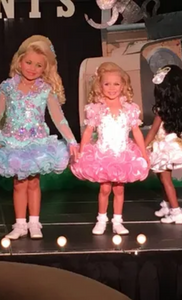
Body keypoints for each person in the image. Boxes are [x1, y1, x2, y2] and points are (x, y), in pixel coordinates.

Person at [0, 35, 77, 240]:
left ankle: (35, 223)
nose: (32, 68)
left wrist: (71, 140)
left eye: (38, 65)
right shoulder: (8, 87)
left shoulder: (45, 90)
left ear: (44, 69)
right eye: (28, 62)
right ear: (19, 61)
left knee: (34, 183)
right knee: (19, 183)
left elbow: (58, 117)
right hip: (13, 143)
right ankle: (20, 224)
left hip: (37, 143)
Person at [71, 62, 149, 235]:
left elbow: (136, 132)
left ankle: (118, 221)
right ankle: (101, 219)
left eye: (116, 84)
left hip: (122, 154)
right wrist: (82, 150)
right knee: (105, 188)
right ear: (100, 85)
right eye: (107, 84)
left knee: (119, 189)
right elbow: (88, 131)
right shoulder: (96, 109)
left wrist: (144, 153)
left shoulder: (129, 109)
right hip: (102, 154)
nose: (112, 88)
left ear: (123, 86)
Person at [145, 65, 182, 224]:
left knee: (166, 180)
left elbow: (152, 132)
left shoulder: (162, 111)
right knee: (162, 177)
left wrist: (141, 148)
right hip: (170, 146)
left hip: (164, 148)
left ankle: (176, 212)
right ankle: (166, 204)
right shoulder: (179, 109)